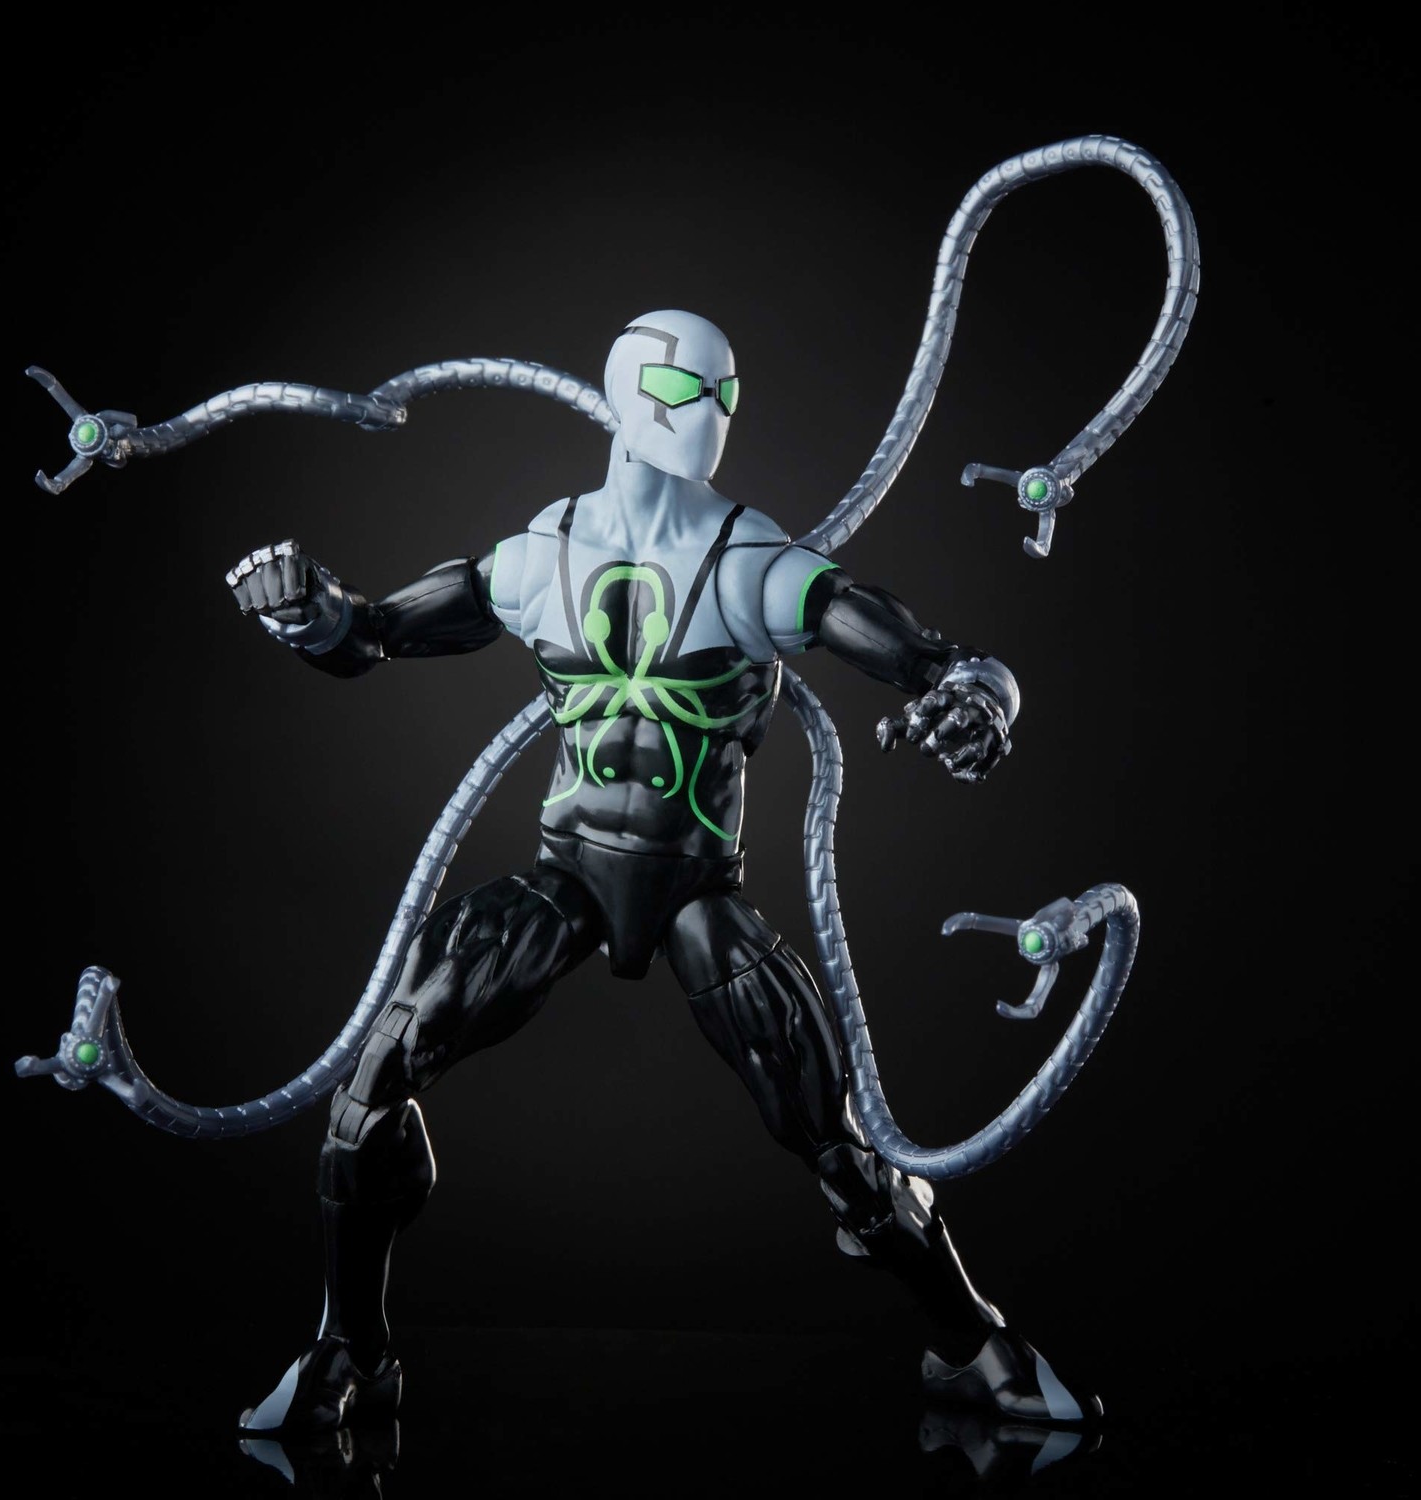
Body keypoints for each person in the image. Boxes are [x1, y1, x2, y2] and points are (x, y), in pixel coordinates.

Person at [230, 310, 1093, 1434]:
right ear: (628, 392)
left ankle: (982, 1350)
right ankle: (351, 1354)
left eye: (727, 394)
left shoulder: (756, 567)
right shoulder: (538, 556)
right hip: (564, 877)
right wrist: (307, 614)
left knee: (836, 1145)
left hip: (695, 892)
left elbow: (933, 655)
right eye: (688, 391)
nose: (712, 415)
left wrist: (978, 698)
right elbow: (374, 634)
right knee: (369, 1091)